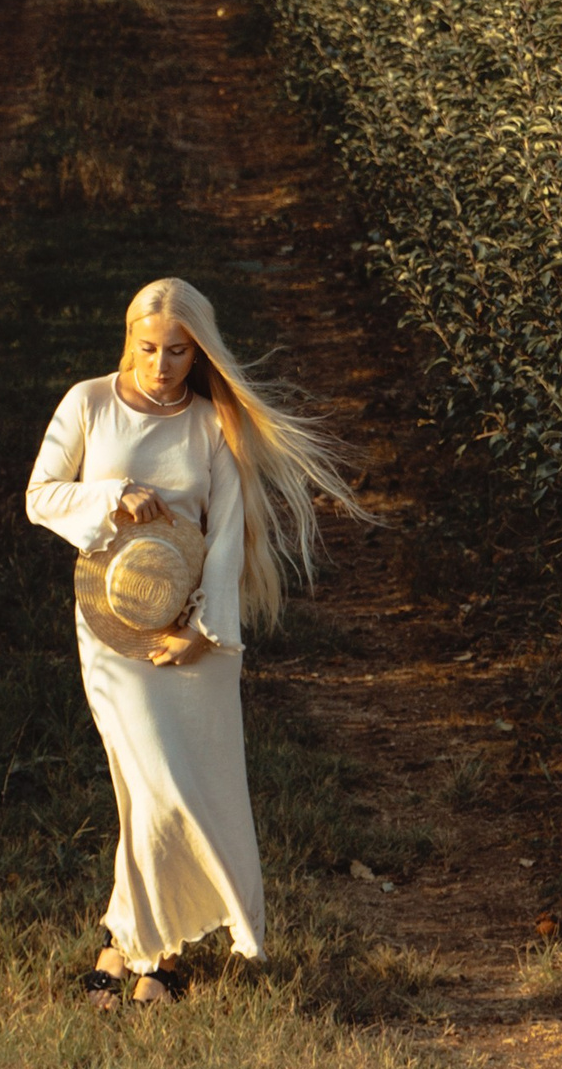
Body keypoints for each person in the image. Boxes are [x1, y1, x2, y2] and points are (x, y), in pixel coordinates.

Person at [25, 273, 366, 1007]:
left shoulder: (214, 423)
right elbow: (40, 496)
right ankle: (149, 948)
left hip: (193, 638)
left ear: (199, 350)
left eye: (178, 351)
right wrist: (110, 495)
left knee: (178, 791)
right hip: (114, 630)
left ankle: (137, 948)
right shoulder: (87, 403)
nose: (160, 365)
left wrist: (203, 632)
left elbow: (228, 537)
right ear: (128, 339)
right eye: (147, 348)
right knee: (148, 786)